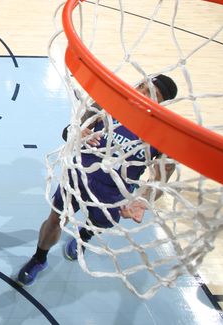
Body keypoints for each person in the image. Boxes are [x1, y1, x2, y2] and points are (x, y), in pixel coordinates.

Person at [16, 74, 178, 286]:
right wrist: (78, 133)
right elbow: (68, 132)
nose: (141, 94)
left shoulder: (164, 134)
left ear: (162, 105)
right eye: (142, 87)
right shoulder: (107, 103)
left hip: (112, 194)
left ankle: (85, 235)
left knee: (97, 224)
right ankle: (39, 258)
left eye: (151, 95)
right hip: (79, 176)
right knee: (56, 218)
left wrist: (141, 201)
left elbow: (160, 181)